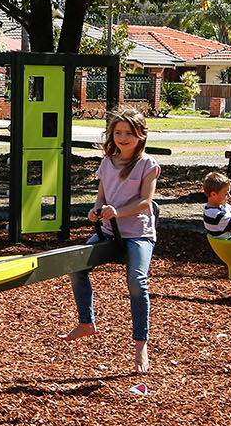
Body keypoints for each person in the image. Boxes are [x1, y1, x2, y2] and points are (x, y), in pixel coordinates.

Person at [61, 107, 159, 373]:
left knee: (137, 283)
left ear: (141, 135)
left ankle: (141, 345)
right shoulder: (107, 162)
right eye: (118, 133)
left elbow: (145, 202)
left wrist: (118, 211)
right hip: (108, 231)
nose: (123, 138)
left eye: (129, 133)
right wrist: (96, 210)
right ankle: (86, 322)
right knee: (77, 266)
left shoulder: (147, 165)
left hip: (138, 233)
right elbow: (102, 197)